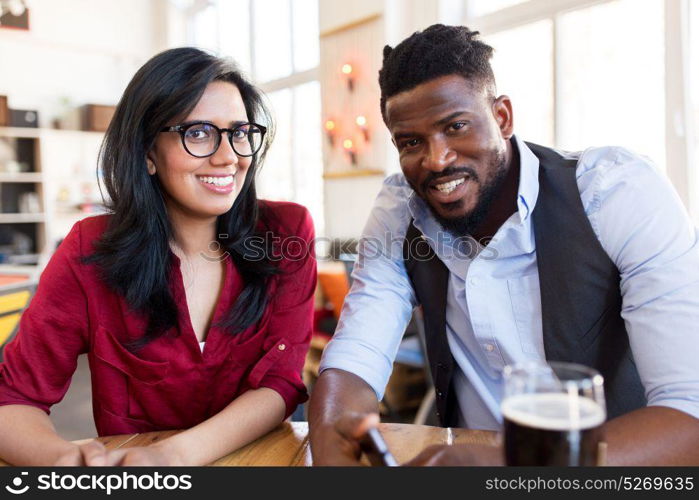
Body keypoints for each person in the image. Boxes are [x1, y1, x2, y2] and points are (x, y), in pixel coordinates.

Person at [309, 24, 699, 466]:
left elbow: (690, 412)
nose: (437, 160)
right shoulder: (399, 210)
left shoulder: (615, 190)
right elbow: (357, 357)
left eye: (455, 126)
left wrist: (507, 468)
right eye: (411, 142)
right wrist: (334, 440)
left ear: (503, 117)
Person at [0, 48, 316, 466]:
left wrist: (174, 456)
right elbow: (14, 398)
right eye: (199, 132)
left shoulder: (285, 233)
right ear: (148, 152)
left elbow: (280, 384)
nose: (229, 157)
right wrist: (66, 462)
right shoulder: (89, 251)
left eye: (240, 133)